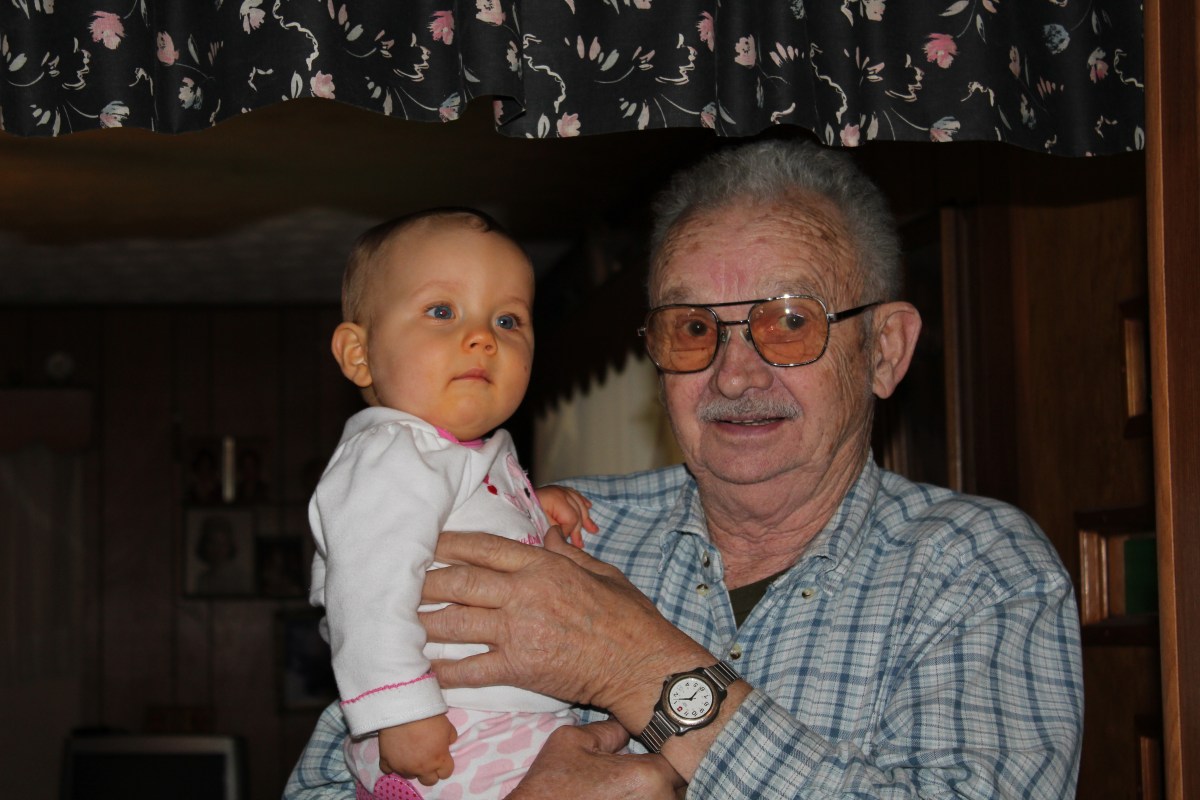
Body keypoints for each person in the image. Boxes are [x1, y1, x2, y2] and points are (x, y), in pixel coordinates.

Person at [286, 139, 1083, 799]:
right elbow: (343, 764)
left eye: (790, 321)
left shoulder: (974, 566)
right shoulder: (541, 533)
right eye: (693, 328)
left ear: (885, 349)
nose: (734, 374)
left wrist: (637, 667)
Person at [307, 209, 598, 800]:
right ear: (359, 354)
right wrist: (399, 710)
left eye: (508, 319)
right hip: (451, 724)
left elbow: (461, 525)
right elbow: (366, 589)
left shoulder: (462, 456)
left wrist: (532, 506)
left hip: (504, 719)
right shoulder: (391, 452)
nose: (483, 337)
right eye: (442, 311)